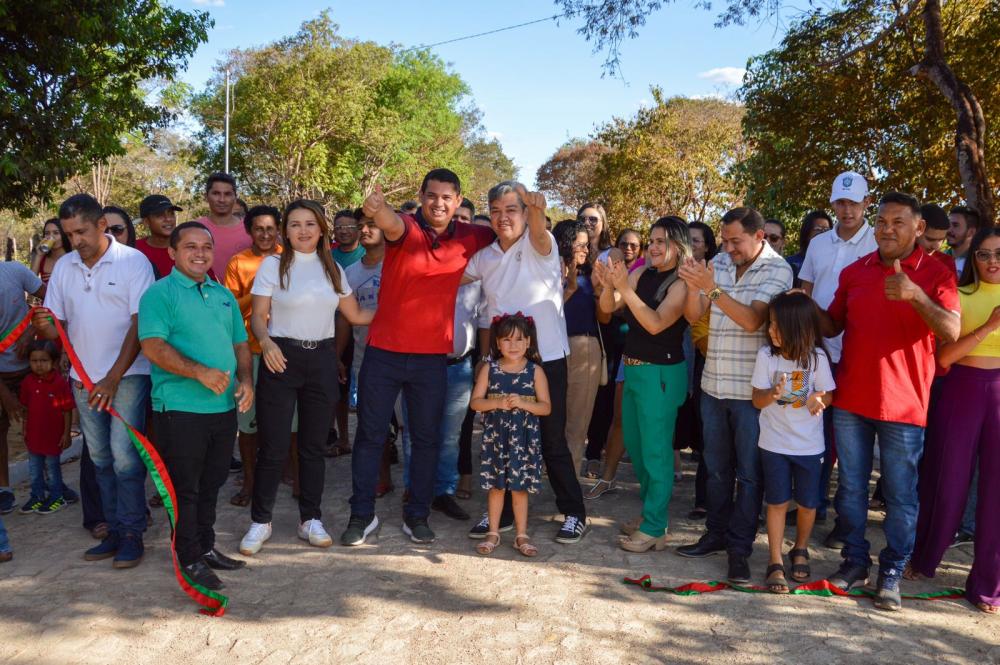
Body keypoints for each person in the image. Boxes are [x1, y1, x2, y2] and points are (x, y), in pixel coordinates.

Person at [818, 192, 960, 611]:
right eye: (881, 221)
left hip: (904, 405)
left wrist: (916, 295)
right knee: (850, 488)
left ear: (919, 228)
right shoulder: (855, 271)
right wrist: (801, 307)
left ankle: (892, 570)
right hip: (851, 399)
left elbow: (951, 331)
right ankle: (854, 562)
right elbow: (832, 324)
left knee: (900, 495)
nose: (887, 229)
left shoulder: (937, 273)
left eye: (898, 222)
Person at [340, 169, 493, 548]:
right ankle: (362, 515)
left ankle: (417, 515)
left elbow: (508, 236)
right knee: (370, 436)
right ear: (422, 196)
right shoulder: (407, 228)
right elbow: (391, 223)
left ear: (458, 201)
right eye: (432, 195)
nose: (438, 203)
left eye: (447, 197)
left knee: (426, 439)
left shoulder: (473, 235)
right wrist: (377, 209)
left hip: (430, 359)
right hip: (383, 354)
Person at [239, 200, 372, 555]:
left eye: (310, 224)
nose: (303, 230)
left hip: (322, 360)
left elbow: (356, 315)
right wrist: (266, 343)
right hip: (281, 357)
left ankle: (310, 519)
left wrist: (399, 308)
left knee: (313, 447)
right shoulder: (273, 265)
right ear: (285, 230)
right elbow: (258, 317)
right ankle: (261, 521)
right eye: (295, 224)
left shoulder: (332, 268)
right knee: (274, 445)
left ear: (321, 229)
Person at [34, 193, 155, 568]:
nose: (76, 241)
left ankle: (132, 533)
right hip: (83, 380)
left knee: (124, 459)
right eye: (69, 234)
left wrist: (113, 377)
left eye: (82, 231)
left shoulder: (133, 262)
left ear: (102, 225)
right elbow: (57, 326)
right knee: (100, 457)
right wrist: (44, 326)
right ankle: (114, 529)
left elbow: (140, 324)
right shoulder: (65, 267)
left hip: (127, 378)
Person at [465, 182, 588, 544]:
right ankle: (501, 515)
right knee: (502, 438)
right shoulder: (484, 257)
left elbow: (537, 229)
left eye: (511, 209)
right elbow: (446, 277)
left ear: (524, 212)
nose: (503, 217)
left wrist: (536, 210)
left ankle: (574, 513)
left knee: (551, 440)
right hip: (503, 364)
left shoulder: (540, 245)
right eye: (496, 210)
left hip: (546, 360)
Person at [675, 207, 793, 585]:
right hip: (713, 384)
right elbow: (694, 315)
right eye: (724, 240)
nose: (727, 248)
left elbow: (753, 320)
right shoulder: (721, 262)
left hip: (751, 393)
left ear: (759, 236)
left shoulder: (778, 270)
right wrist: (693, 286)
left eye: (735, 241)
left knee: (750, 474)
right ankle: (715, 535)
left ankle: (740, 550)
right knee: (715, 469)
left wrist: (710, 288)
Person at [139, 221, 253, 590]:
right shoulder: (159, 294)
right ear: (172, 252)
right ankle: (188, 556)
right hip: (179, 409)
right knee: (185, 488)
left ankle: (205, 546)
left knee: (212, 483)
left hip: (222, 408)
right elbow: (152, 346)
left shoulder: (222, 295)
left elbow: (239, 343)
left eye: (206, 246)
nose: (200, 253)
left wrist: (246, 381)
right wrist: (199, 372)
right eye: (190, 246)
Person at [908, 227, 1000, 614]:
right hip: (962, 389)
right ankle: (924, 558)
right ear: (972, 258)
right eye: (984, 254)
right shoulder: (959, 296)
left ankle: (988, 586)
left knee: (996, 494)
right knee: (947, 481)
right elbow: (944, 358)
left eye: (999, 253)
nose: (992, 261)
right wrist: (989, 327)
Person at [594, 216, 692, 552]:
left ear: (678, 245)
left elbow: (655, 323)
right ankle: (653, 515)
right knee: (636, 447)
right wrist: (608, 285)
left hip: (661, 374)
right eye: (652, 240)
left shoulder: (681, 283)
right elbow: (608, 309)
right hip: (634, 370)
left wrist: (623, 288)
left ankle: (653, 527)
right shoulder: (641, 273)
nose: (653, 246)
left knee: (656, 451)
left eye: (661, 241)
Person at [797, 172, 877, 541]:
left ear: (866, 203)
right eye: (840, 203)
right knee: (816, 432)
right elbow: (806, 292)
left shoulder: (879, 242)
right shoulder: (818, 244)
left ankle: (848, 521)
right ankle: (813, 506)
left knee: (851, 444)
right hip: (820, 351)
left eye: (853, 202)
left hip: (861, 354)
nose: (846, 210)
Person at [750, 293, 835, 592]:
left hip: (810, 447)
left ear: (799, 327)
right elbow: (757, 399)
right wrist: (772, 394)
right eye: (770, 323)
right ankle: (774, 560)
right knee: (776, 502)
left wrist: (818, 399)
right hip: (773, 444)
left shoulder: (817, 358)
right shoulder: (766, 356)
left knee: (809, 504)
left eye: (778, 325)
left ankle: (800, 548)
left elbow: (828, 394)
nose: (771, 330)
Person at [470, 313, 551, 557]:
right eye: (506, 340)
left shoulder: (535, 371)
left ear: (528, 342)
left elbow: (546, 407)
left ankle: (521, 534)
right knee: (496, 487)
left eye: (519, 340)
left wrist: (524, 404)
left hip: (523, 441)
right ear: (497, 343)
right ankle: (493, 532)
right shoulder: (490, 369)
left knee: (519, 488)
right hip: (496, 439)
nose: (513, 345)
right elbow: (475, 402)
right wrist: (496, 403)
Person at [223, 206, 283, 507]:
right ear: (249, 231)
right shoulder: (239, 262)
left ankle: (293, 475)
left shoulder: (291, 257)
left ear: (278, 230)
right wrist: (261, 289)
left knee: (290, 420)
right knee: (248, 421)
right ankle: (249, 480)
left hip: (284, 348)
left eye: (270, 228)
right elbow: (229, 308)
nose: (265, 234)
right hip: (249, 349)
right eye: (259, 228)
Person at [338, 210, 394, 497]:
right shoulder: (351, 273)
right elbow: (345, 319)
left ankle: (415, 484)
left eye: (372, 224)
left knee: (408, 426)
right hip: (366, 358)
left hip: (401, 355)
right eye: (361, 226)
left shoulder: (398, 265)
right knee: (373, 425)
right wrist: (338, 355)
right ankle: (382, 479)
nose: (365, 230)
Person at [584, 228, 645, 482]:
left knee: (625, 410)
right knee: (604, 399)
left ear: (640, 250)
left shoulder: (643, 273)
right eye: (624, 244)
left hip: (635, 346)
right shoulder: (607, 269)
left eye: (634, 245)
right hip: (608, 342)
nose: (628, 249)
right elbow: (606, 311)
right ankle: (595, 455)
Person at [554, 220, 602, 476]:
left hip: (584, 348)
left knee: (577, 422)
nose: (585, 250)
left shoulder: (592, 274)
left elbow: (605, 317)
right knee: (550, 420)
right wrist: (568, 286)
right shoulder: (544, 272)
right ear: (564, 244)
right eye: (579, 245)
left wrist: (602, 289)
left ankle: (569, 486)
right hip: (550, 350)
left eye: (587, 245)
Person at [0, 260, 46, 515]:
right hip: (1, 377)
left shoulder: (15, 271)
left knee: (40, 426)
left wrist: (32, 330)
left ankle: (48, 483)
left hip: (31, 369)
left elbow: (53, 299)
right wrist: (5, 394)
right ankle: (4, 490)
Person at [17, 340, 75, 514]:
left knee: (52, 469)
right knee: (34, 469)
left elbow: (67, 410)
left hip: (53, 436)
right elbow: (26, 408)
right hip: (34, 435)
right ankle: (37, 496)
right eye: (34, 361)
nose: (39, 365)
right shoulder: (28, 382)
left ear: (54, 361)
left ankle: (57, 497)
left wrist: (66, 433)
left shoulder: (59, 383)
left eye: (43, 360)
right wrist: (25, 428)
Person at [197, 172, 251, 277]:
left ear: (235, 197)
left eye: (227, 194)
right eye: (216, 193)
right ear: (206, 196)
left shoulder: (250, 229)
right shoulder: (193, 228)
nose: (222, 200)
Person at [135, 195, 182, 279]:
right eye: (160, 215)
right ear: (146, 222)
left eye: (171, 214)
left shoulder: (186, 248)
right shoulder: (135, 250)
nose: (168, 219)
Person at [784, 211, 832, 287]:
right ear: (807, 232)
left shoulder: (834, 262)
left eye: (826, 230)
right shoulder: (790, 263)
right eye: (818, 229)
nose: (823, 233)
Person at [31, 218, 71, 285]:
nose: (51, 237)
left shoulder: (73, 257)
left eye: (56, 233)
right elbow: (30, 283)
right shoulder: (42, 258)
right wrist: (39, 255)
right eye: (47, 233)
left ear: (64, 235)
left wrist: (58, 277)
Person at [947, 206, 981, 275]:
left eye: (955, 225)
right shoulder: (937, 258)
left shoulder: (979, 263)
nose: (948, 230)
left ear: (971, 232)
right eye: (948, 225)